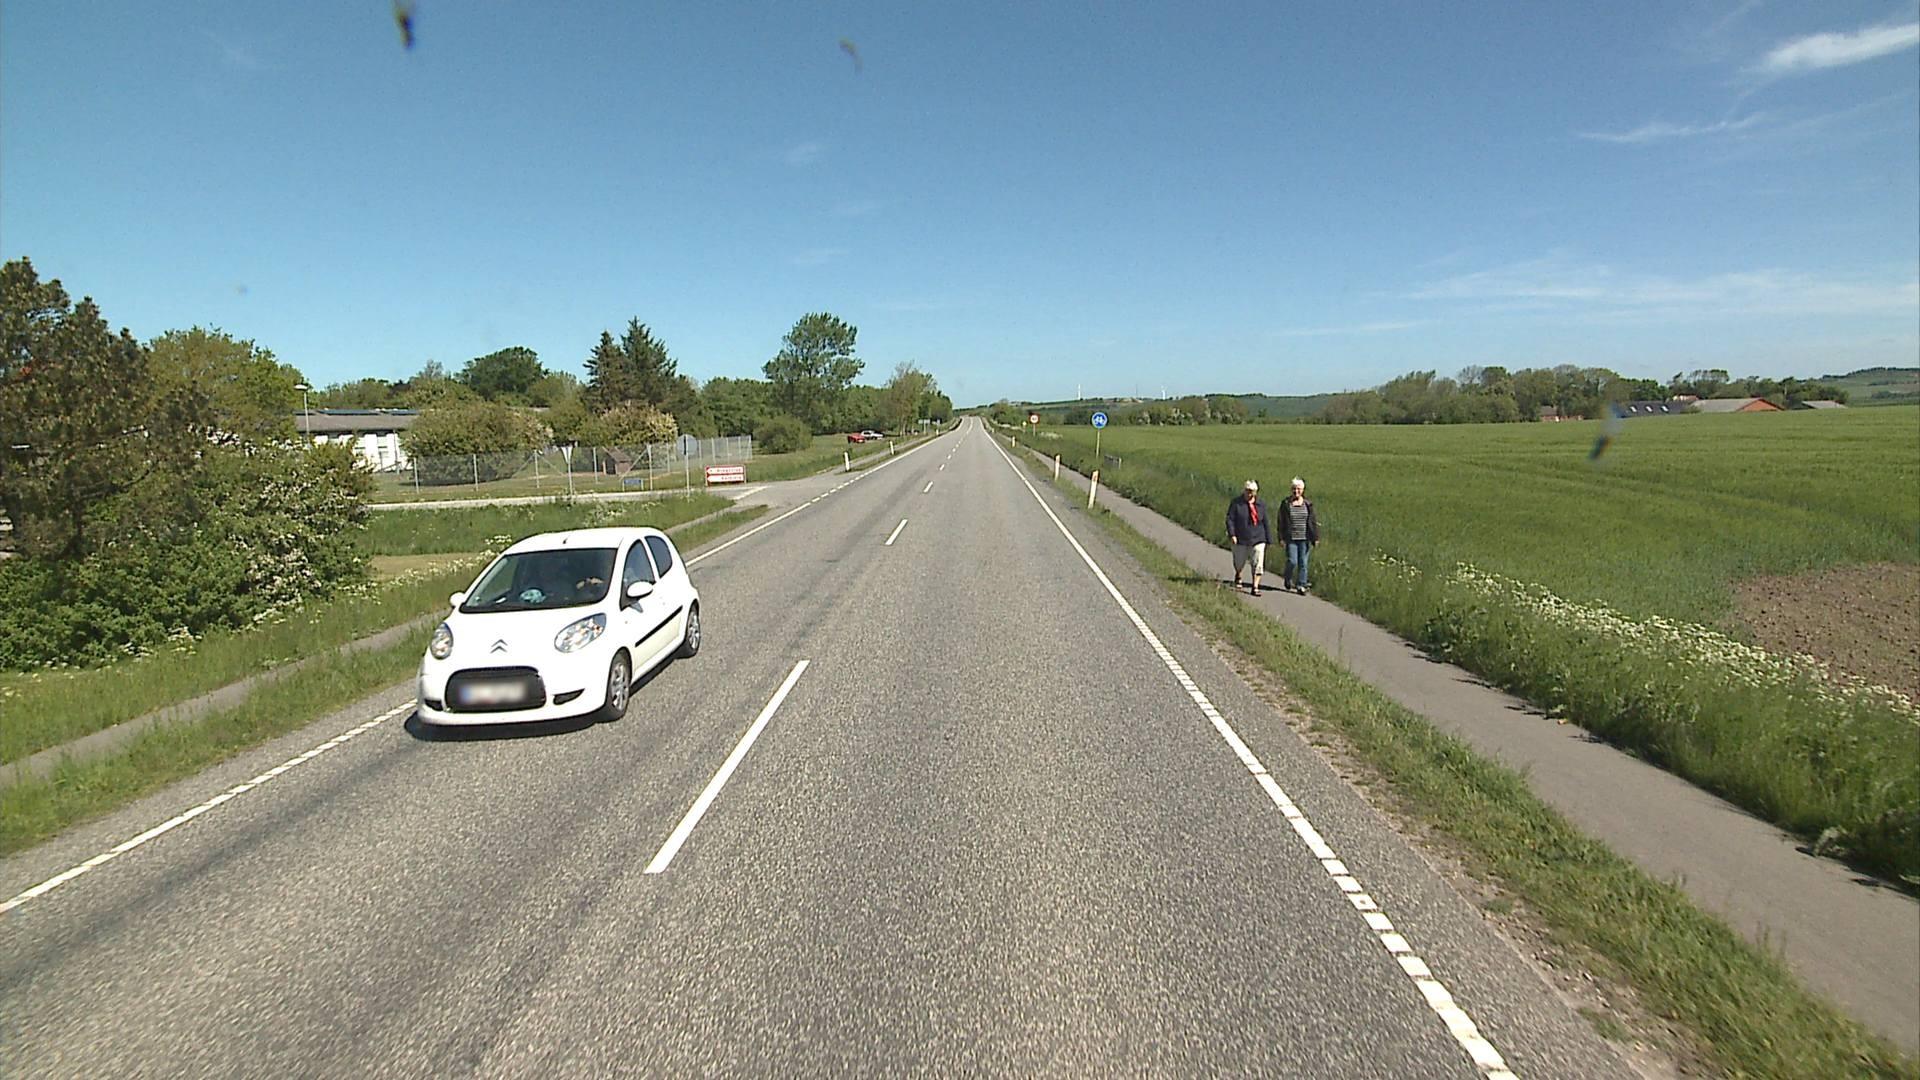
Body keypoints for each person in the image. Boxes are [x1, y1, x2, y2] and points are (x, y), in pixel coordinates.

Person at [1225, 479, 1270, 596]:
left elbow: (1265, 521)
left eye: (1252, 491)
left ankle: (1255, 586)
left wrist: (1268, 538)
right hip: (1241, 538)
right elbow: (1230, 519)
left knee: (1258, 563)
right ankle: (1238, 574)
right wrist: (1232, 534)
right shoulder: (1236, 503)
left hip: (1258, 538)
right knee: (1239, 562)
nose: (1250, 494)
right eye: (1248, 491)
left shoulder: (1261, 504)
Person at [1280, 477, 1319, 594]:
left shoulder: (1308, 504)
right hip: (1291, 538)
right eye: (1294, 489)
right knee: (1292, 561)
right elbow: (1281, 522)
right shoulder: (1286, 504)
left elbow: (1312, 522)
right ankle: (1288, 578)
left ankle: (1301, 585)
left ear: (1303, 490)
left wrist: (1315, 537)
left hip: (1304, 538)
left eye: (1298, 489)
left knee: (1303, 562)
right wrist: (1281, 538)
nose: (1296, 491)